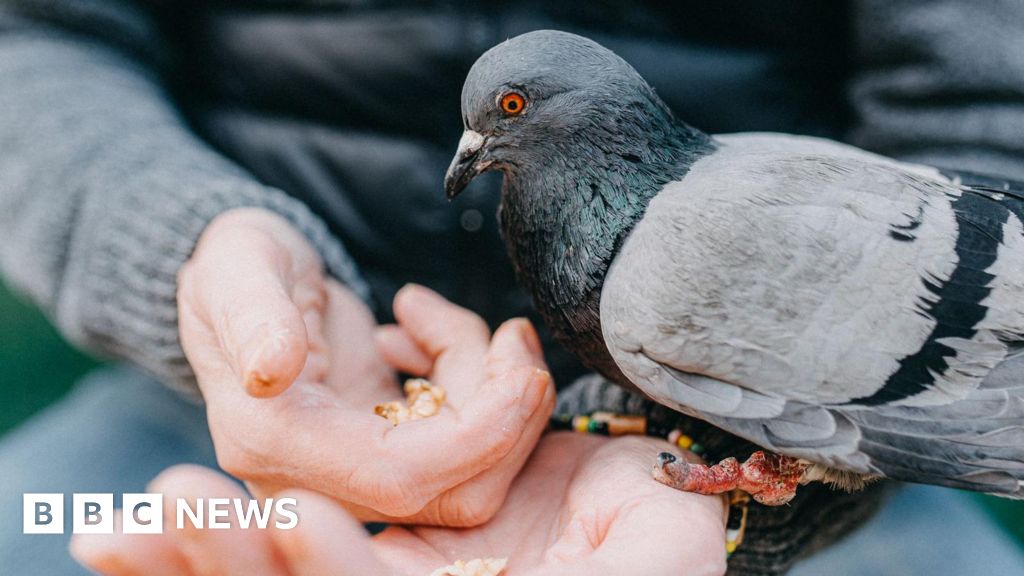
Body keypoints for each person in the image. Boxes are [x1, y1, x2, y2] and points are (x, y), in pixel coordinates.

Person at [0, 1, 1022, 575]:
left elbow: (979, 100)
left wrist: (774, 495)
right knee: (56, 534)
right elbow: (37, 36)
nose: (474, 148)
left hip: (782, 426)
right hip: (271, 387)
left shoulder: (674, 281)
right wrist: (191, 245)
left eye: (508, 114)